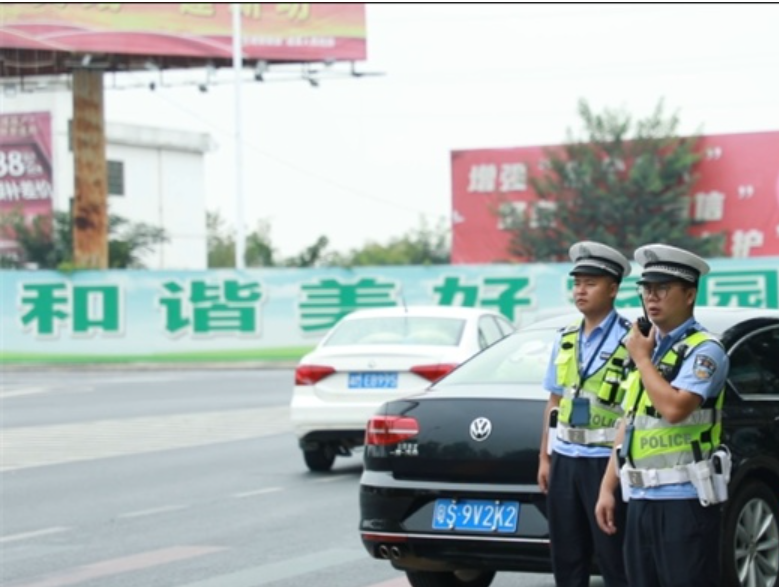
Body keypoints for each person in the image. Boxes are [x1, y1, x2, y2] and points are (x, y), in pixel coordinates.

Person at [595, 243, 731, 587]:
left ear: (688, 294)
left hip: (685, 501)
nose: (651, 298)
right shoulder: (649, 347)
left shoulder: (704, 349)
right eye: (646, 289)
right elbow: (630, 422)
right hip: (640, 499)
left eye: (662, 289)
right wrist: (607, 488)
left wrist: (641, 359)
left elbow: (674, 409)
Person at [538, 241, 631, 587]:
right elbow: (554, 404)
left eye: (590, 283)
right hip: (564, 459)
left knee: (614, 556)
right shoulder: (565, 339)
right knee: (566, 556)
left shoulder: (631, 339)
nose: (581, 290)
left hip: (604, 462)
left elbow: (632, 412)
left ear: (613, 288)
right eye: (577, 283)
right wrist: (545, 459)